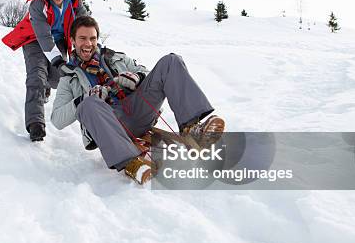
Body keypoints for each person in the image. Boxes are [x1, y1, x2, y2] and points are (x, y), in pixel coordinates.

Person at [51, 16, 225, 185]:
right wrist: (85, 97)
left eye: (92, 38)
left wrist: (137, 77)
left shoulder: (114, 57)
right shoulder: (69, 78)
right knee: (88, 104)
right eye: (82, 38)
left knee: (171, 61)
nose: (88, 44)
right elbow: (57, 119)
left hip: (138, 109)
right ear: (73, 40)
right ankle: (131, 163)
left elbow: (149, 74)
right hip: (109, 125)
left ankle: (192, 128)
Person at [2, 0, 87, 141]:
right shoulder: (38, 3)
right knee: (36, 77)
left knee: (58, 78)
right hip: (34, 40)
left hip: (59, 41)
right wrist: (57, 61)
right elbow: (43, 36)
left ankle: (47, 85)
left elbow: (85, 27)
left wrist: (91, 49)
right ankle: (35, 123)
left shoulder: (75, 3)